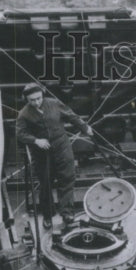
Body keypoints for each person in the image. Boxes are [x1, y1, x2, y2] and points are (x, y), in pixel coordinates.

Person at [16, 82, 93, 225]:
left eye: (38, 98)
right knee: (45, 183)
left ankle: (67, 214)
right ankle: (47, 215)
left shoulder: (54, 103)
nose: (36, 102)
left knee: (67, 179)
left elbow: (71, 116)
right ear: (26, 99)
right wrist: (35, 140)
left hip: (62, 146)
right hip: (41, 153)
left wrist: (85, 127)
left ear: (42, 95)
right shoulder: (24, 114)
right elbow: (20, 134)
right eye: (32, 100)